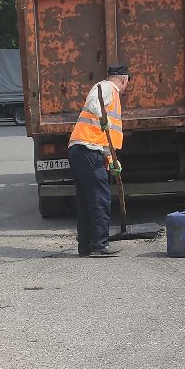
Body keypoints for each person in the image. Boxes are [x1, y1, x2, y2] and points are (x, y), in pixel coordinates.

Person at [68, 64, 129, 257]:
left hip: (84, 150)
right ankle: (99, 245)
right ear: (124, 79)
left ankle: (85, 246)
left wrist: (112, 160)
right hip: (87, 150)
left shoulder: (107, 90)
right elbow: (94, 102)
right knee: (99, 200)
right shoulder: (107, 88)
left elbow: (104, 138)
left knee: (87, 201)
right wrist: (104, 118)